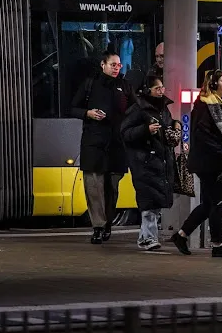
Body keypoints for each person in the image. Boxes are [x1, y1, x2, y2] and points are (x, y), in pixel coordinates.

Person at [168, 70, 222, 258]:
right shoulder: (205, 105)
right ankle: (217, 245)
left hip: (215, 162)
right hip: (211, 164)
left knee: (210, 203)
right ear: (212, 84)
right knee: (217, 203)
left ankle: (181, 235)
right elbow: (202, 135)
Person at [70, 51, 137, 244]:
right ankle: (98, 226)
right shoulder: (90, 84)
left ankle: (107, 222)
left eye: (119, 65)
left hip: (116, 143)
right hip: (93, 142)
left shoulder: (125, 86)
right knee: (93, 186)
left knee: (112, 188)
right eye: (113, 65)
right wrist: (88, 113)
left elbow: (136, 109)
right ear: (103, 65)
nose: (117, 68)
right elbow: (73, 108)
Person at [120, 76, 178, 250]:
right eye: (157, 88)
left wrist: (175, 125)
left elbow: (167, 124)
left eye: (162, 88)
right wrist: (146, 130)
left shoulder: (163, 109)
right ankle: (148, 238)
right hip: (145, 162)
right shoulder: (138, 109)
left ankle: (146, 238)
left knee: (155, 202)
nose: (161, 91)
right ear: (148, 90)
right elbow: (126, 133)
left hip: (160, 161)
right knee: (149, 202)